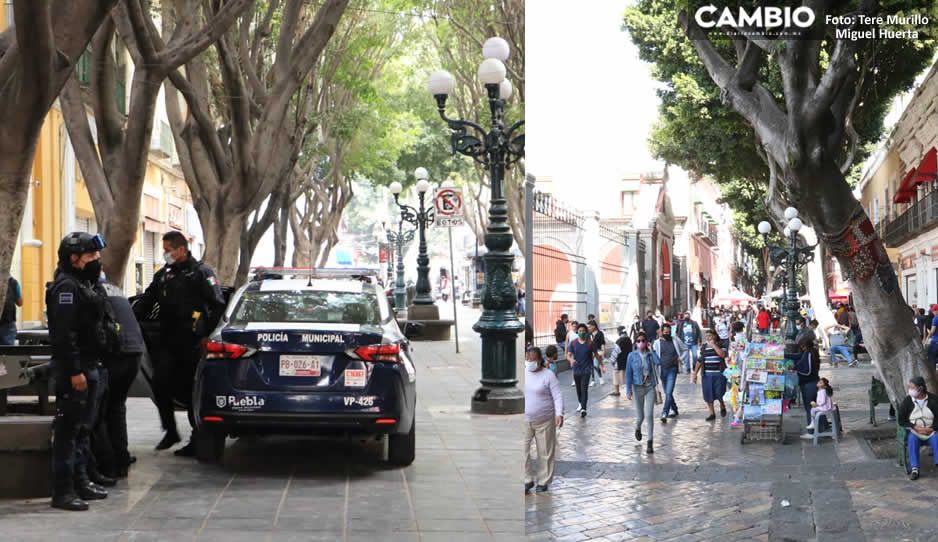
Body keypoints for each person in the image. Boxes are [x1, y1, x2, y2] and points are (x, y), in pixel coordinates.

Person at [134, 231, 225, 456]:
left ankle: (197, 438)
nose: (165, 254)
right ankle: (171, 430)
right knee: (160, 383)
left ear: (181, 250)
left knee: (191, 391)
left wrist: (208, 336)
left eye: (167, 250)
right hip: (168, 340)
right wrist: (129, 317)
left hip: (193, 341)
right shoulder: (164, 275)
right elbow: (147, 300)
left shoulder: (201, 273)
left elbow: (217, 306)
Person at [46, 232, 115, 510]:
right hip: (75, 370)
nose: (96, 260)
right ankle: (63, 492)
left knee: (83, 429)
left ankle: (82, 481)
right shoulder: (66, 287)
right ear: (74, 259)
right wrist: (75, 370)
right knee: (68, 433)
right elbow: (64, 335)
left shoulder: (83, 283)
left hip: (90, 365)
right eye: (90, 256)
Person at [92, 279, 145, 479]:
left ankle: (108, 465)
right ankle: (121, 458)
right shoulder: (113, 288)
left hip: (117, 352)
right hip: (135, 351)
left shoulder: (90, 290)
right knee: (116, 405)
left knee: (101, 410)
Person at [523, 347, 563, 494]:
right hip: (525, 419)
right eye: (528, 359)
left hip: (545, 420)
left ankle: (543, 480)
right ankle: (526, 479)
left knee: (545, 451)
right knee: (522, 450)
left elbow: (557, 395)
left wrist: (559, 414)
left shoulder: (549, 375)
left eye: (533, 359)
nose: (530, 361)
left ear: (540, 360)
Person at [625, 333, 660, 454]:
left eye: (643, 340)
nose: (641, 342)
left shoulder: (650, 355)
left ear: (646, 342)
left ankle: (650, 442)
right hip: (637, 387)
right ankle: (637, 427)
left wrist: (652, 350)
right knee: (641, 416)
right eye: (638, 340)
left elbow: (658, 362)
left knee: (649, 415)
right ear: (635, 342)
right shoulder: (631, 356)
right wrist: (628, 390)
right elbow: (628, 373)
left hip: (650, 386)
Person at [898, 376, 938, 480]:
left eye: (912, 387)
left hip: (931, 431)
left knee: (936, 439)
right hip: (915, 431)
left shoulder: (934, 400)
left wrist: (932, 428)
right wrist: (914, 427)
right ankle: (915, 468)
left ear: (920, 389)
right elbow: (901, 420)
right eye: (909, 387)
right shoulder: (907, 401)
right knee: (912, 439)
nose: (910, 390)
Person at [653, 323, 687, 422]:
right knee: (668, 392)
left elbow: (685, 349)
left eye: (669, 332)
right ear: (661, 332)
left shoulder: (675, 340)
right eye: (665, 332)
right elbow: (654, 356)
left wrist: (681, 358)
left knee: (668, 392)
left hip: (673, 369)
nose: (667, 334)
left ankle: (664, 413)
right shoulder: (657, 343)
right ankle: (675, 409)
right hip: (662, 370)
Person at [692, 329, 727, 420]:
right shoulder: (704, 347)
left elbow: (722, 355)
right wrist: (695, 373)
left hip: (719, 375)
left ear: (715, 336)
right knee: (708, 394)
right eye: (707, 336)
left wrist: (713, 346)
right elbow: (700, 361)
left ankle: (722, 404)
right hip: (707, 375)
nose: (708, 338)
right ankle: (712, 413)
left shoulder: (720, 344)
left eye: (710, 336)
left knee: (720, 393)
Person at [566, 323, 595, 417]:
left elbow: (597, 355)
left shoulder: (590, 343)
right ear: (577, 332)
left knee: (584, 389)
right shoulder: (573, 343)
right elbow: (568, 355)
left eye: (583, 331)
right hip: (576, 370)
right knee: (578, 390)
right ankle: (580, 402)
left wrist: (602, 365)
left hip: (586, 370)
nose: (581, 332)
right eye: (580, 331)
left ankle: (583, 408)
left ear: (586, 332)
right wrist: (571, 360)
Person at [796, 335, 821, 437]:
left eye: (801, 346)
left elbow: (808, 370)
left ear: (804, 345)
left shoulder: (809, 354)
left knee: (810, 408)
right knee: (815, 407)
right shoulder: (807, 353)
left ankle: (812, 432)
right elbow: (797, 356)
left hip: (809, 384)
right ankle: (820, 430)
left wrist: (795, 369)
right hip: (811, 383)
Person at [0, 275, 23, 345]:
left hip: (7, 321)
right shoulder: (13, 282)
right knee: (8, 350)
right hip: (8, 320)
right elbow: (20, 303)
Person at [610, 330, 633, 396]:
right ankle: (630, 390)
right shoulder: (629, 340)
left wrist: (612, 361)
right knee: (628, 376)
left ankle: (617, 391)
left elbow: (615, 352)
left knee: (616, 376)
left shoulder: (619, 341)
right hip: (628, 361)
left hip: (619, 362)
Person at [587, 320, 606, 387]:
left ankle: (600, 378)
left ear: (594, 326)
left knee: (595, 365)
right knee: (592, 366)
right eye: (588, 327)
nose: (588, 328)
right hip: (590, 352)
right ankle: (593, 380)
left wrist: (603, 352)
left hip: (598, 351)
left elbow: (602, 343)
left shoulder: (600, 333)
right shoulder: (588, 334)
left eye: (589, 327)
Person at [925, 305, 938, 370]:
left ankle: (934, 377)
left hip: (935, 342)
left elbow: (932, 331)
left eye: (933, 311)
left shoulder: (936, 318)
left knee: (931, 359)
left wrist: (927, 337)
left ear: (936, 310)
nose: (933, 312)